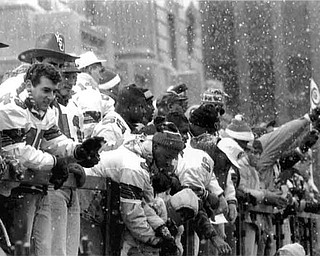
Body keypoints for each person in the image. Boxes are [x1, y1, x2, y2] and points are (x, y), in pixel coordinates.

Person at [0, 63, 104, 255]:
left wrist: (78, 150)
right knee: (18, 250)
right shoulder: (11, 106)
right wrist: (55, 163)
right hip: (11, 191)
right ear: (30, 84)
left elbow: (54, 140)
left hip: (35, 187)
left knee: (45, 251)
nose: (50, 97)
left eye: (54, 92)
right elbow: (18, 152)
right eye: (46, 90)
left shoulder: (44, 109)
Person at [50, 61, 86, 256]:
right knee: (57, 250)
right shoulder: (48, 105)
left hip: (73, 185)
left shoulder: (75, 107)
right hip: (54, 183)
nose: (70, 82)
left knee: (71, 250)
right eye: (66, 76)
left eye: (73, 77)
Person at [0, 32, 78, 98]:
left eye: (60, 66)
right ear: (35, 61)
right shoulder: (13, 89)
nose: (57, 71)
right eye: (52, 64)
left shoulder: (58, 94)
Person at [92, 84, 148, 151]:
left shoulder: (120, 124)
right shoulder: (109, 128)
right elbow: (103, 158)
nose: (144, 111)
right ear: (129, 107)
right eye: (141, 107)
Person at [73, 51, 106, 139]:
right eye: (100, 71)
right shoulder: (90, 92)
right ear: (91, 69)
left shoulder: (72, 86)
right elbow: (91, 129)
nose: (101, 77)